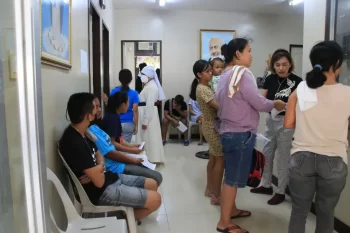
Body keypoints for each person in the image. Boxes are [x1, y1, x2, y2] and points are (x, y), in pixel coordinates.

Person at [215, 38, 286, 233]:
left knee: (231, 175)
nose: (251, 55)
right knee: (232, 179)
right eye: (248, 51)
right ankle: (224, 223)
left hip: (228, 131)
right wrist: (274, 104)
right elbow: (257, 101)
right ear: (238, 54)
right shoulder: (242, 72)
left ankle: (232, 210)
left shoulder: (224, 74)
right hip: (239, 133)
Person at [59, 92, 161, 221]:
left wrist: (99, 166)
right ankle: (124, 222)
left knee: (152, 183)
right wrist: (101, 165)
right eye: (95, 107)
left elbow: (99, 153)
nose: (98, 110)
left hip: (109, 177)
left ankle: (126, 216)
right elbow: (99, 181)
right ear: (88, 115)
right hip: (102, 191)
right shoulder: (74, 142)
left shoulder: (83, 132)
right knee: (156, 199)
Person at [284, 41, 350, 233]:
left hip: (301, 158)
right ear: (337, 63)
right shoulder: (348, 93)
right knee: (326, 212)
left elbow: (288, 124)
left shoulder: (300, 90)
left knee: (298, 212)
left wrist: (308, 122)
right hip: (334, 161)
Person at [250, 49, 302, 205]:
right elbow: (262, 99)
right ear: (273, 65)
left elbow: (300, 105)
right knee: (267, 154)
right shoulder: (270, 79)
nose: (281, 68)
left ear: (290, 64)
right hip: (270, 121)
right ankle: (266, 185)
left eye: (284, 64)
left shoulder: (298, 82)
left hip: (287, 123)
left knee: (283, 158)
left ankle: (280, 191)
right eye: (278, 65)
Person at [89, 95, 163, 185]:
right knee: (156, 177)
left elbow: (117, 140)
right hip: (115, 166)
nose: (100, 110)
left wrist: (132, 147)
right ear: (122, 105)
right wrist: (133, 157)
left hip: (116, 162)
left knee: (150, 169)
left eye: (99, 106)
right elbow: (112, 148)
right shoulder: (110, 119)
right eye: (96, 107)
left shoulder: (98, 125)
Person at [191, 60, 224, 206]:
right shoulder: (202, 89)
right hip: (212, 127)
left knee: (213, 159)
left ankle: (209, 189)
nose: (211, 72)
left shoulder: (205, 86)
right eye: (208, 71)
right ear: (199, 74)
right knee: (220, 160)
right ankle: (216, 195)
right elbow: (218, 106)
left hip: (210, 125)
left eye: (211, 70)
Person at [135, 66, 166, 163]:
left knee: (149, 136)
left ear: (149, 76)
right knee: (147, 136)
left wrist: (145, 121)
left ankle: (151, 158)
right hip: (145, 112)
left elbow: (149, 105)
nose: (141, 77)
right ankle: (147, 157)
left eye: (143, 74)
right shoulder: (148, 86)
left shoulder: (152, 87)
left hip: (148, 114)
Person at [108, 69, 140, 143]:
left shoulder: (114, 91)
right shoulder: (134, 93)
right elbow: (135, 110)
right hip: (128, 123)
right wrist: (136, 125)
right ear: (131, 80)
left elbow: (110, 106)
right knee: (125, 145)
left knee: (115, 144)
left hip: (115, 121)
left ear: (119, 79)